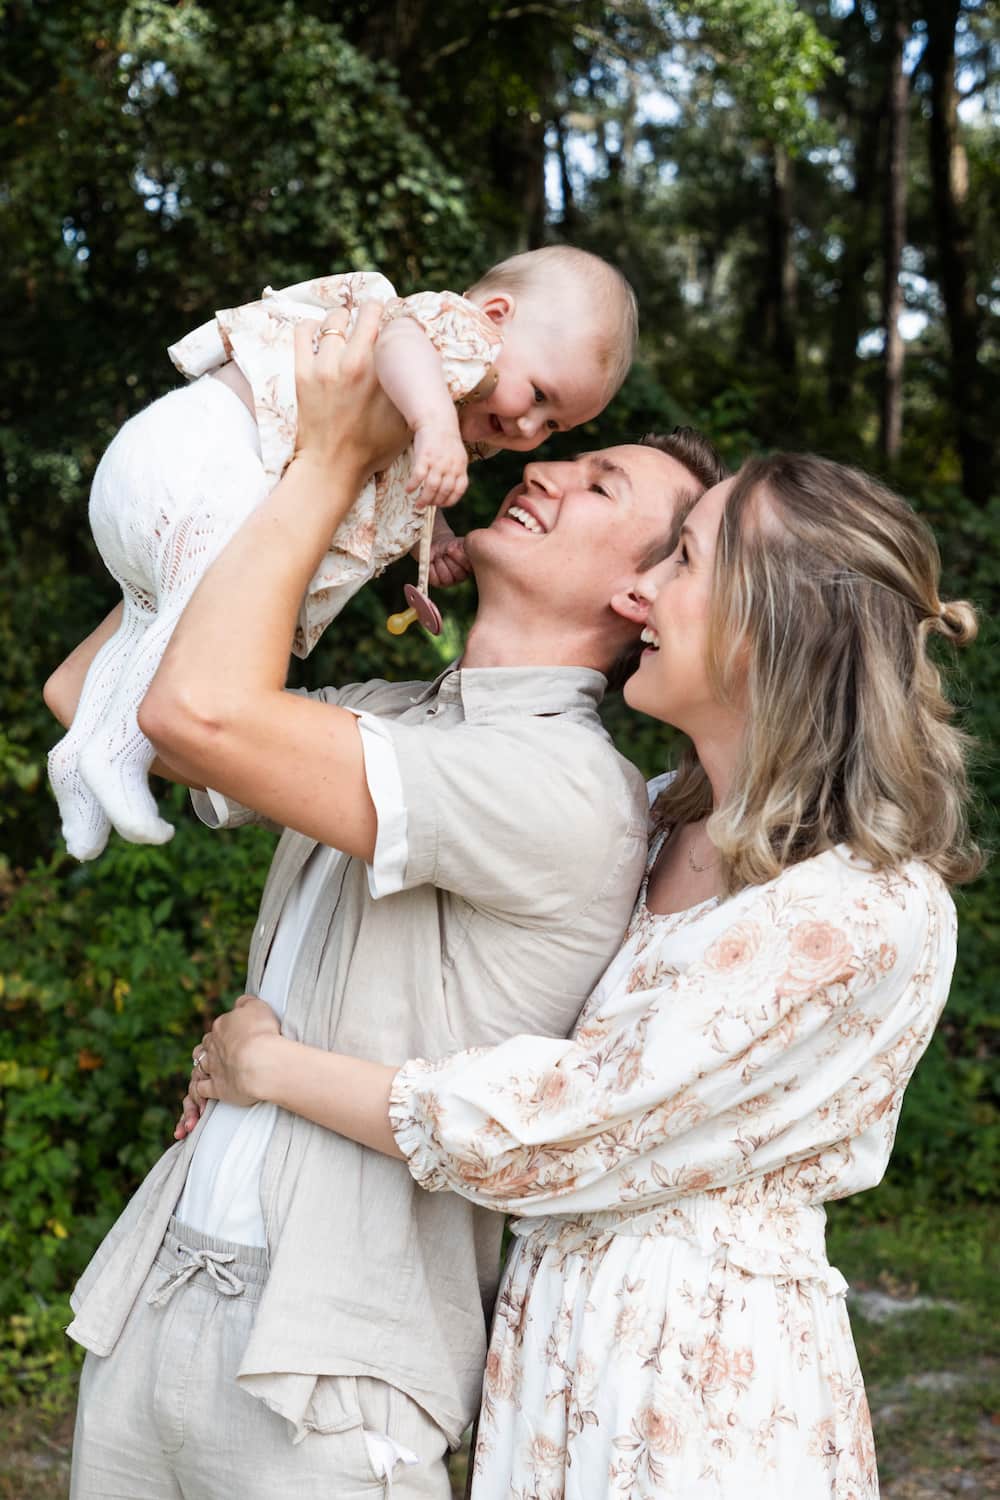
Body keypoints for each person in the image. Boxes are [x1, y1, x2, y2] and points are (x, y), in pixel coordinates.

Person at [186, 451, 981, 1499]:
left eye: (684, 560)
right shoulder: (653, 821)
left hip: (700, 1387)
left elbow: (572, 1123)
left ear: (773, 624)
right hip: (557, 1348)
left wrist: (273, 1068)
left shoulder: (866, 907)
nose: (639, 591)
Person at [45, 302, 727, 1499]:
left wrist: (330, 454)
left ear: (641, 594)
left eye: (603, 483)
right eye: (565, 453)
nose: (551, 468)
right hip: (161, 1294)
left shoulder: (568, 788)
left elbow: (195, 713)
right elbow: (92, 693)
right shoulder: (395, 712)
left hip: (329, 1377)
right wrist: (302, 510)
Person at [48, 245, 637, 862]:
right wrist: (434, 420)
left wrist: (433, 538)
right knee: (196, 608)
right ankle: (114, 752)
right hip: (199, 455)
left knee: (155, 626)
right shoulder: (450, 331)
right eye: (540, 394)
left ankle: (78, 760)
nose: (527, 431)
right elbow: (398, 341)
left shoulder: (440, 404)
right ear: (494, 314)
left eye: (553, 427)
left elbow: (397, 481)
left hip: (176, 478)